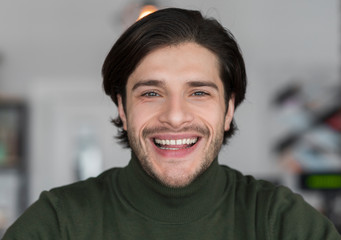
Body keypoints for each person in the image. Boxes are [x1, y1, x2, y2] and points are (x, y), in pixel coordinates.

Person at [3, 7, 340, 240]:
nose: (175, 116)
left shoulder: (281, 222)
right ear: (122, 107)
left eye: (199, 93)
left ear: (228, 109)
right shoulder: (57, 223)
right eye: (151, 93)